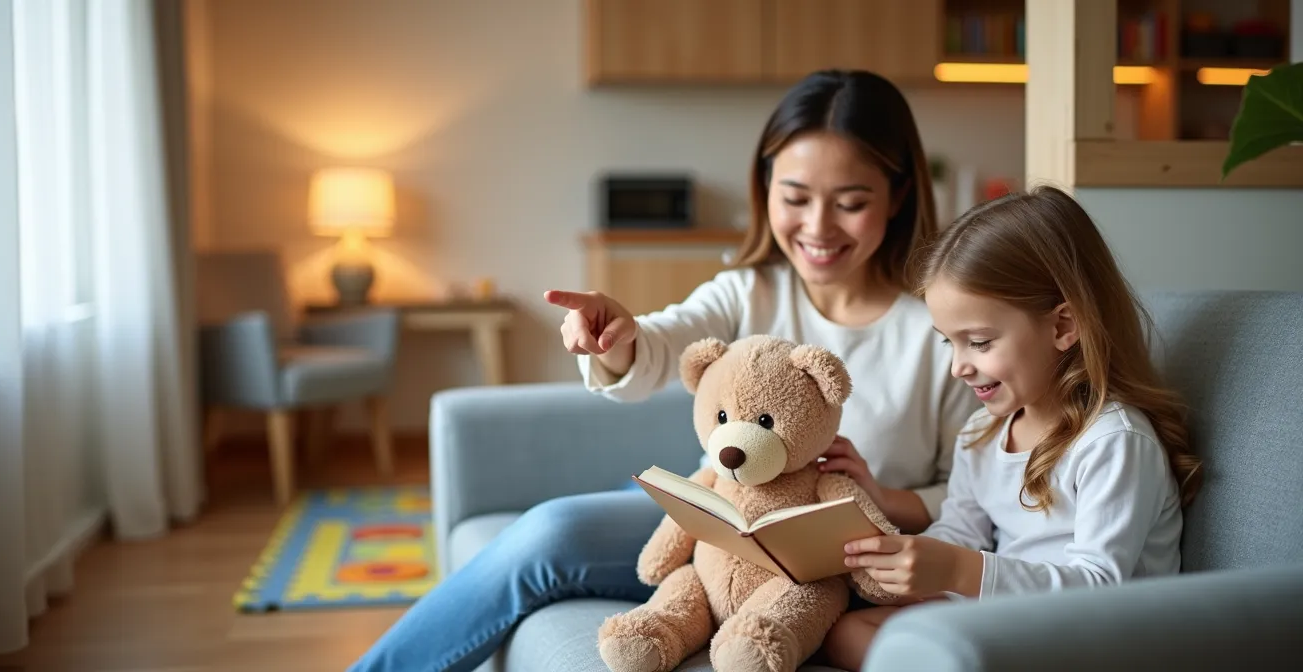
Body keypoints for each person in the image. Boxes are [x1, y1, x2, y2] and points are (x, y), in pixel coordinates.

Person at [347, 69, 979, 672]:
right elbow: (659, 347)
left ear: (898, 195)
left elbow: (975, 490)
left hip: (838, 563)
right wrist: (616, 341)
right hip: (722, 527)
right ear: (766, 190)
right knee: (551, 530)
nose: (817, 226)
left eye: (850, 202)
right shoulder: (746, 293)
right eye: (795, 197)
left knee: (554, 530)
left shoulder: (936, 327)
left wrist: (879, 499)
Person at [817, 185, 1206, 670]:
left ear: (1063, 326)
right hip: (1009, 620)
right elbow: (960, 531)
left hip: (1096, 638)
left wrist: (960, 570)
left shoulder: (1114, 442)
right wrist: (901, 563)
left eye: (978, 342)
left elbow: (1099, 588)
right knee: (848, 630)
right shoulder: (982, 432)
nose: (959, 366)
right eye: (949, 344)